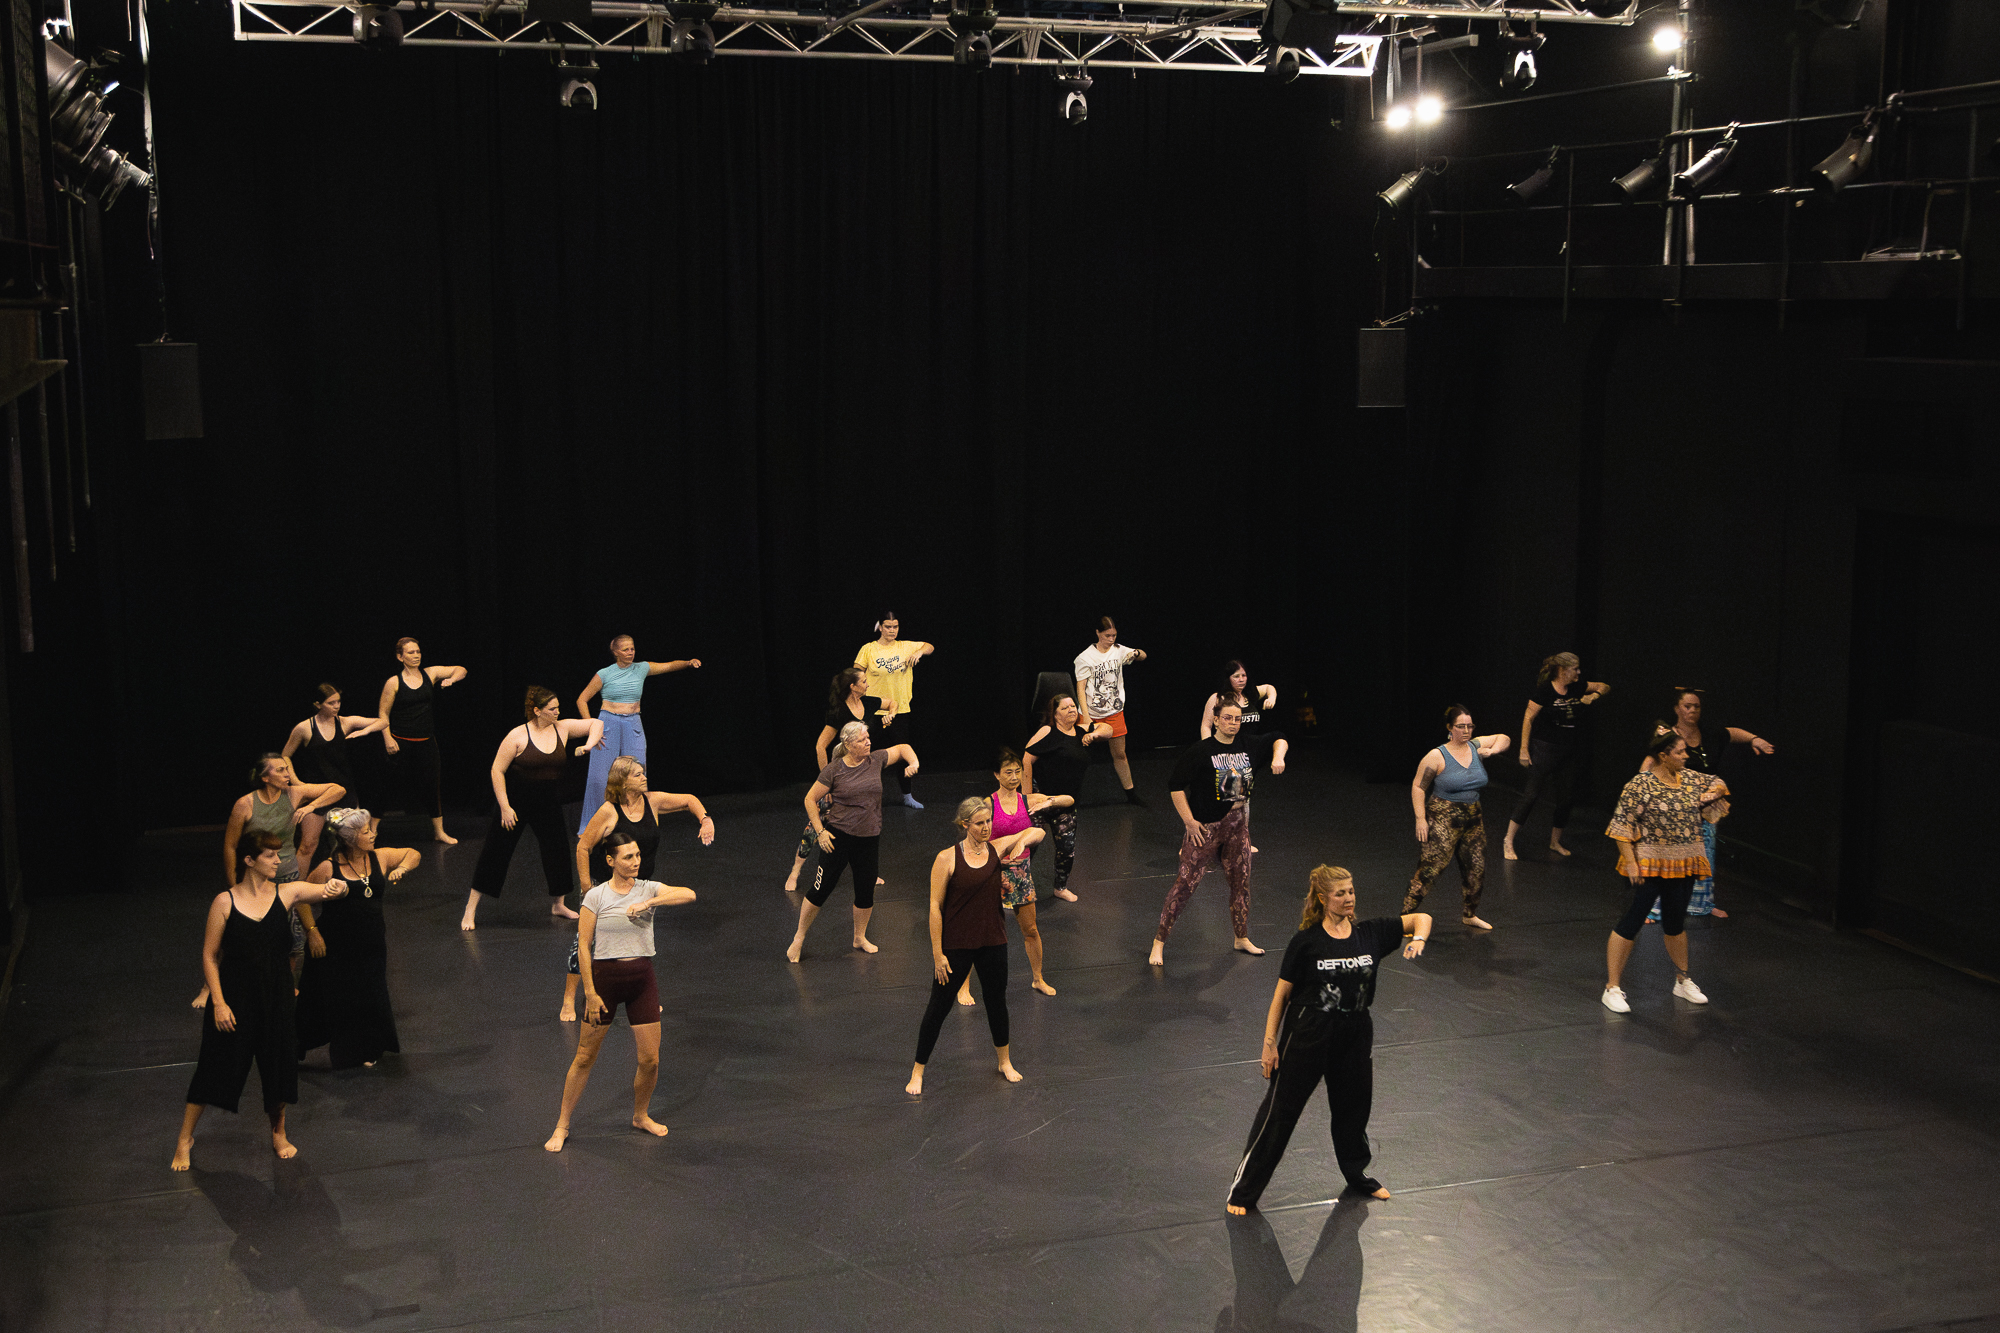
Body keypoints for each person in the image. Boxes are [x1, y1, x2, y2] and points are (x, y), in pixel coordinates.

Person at [1225, 866, 1430, 1213]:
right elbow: (1281, 996)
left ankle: (1357, 1175)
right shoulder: (1306, 942)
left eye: (1351, 891)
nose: (1349, 898)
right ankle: (1243, 1191)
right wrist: (1269, 1043)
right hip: (1309, 1033)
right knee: (1281, 1112)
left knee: (1353, 1109)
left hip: (1355, 1031)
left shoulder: (1371, 933)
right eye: (1340, 893)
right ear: (1322, 898)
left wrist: (1419, 939)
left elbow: (1421, 918)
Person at [171, 830, 353, 1171]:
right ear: (249, 860)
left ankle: (278, 1133)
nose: (278, 861)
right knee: (214, 1067)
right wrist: (219, 1003)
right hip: (234, 1001)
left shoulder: (287, 893)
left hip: (276, 999)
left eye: (278, 854)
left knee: (278, 1069)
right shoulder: (224, 902)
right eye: (270, 855)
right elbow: (210, 955)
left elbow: (322, 891)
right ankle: (185, 1138)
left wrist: (336, 888)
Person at [544, 831, 697, 1151]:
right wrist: (590, 992)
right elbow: (583, 947)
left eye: (638, 855)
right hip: (605, 984)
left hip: (642, 980)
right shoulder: (596, 896)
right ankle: (562, 1124)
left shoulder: (648, 888)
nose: (636, 861)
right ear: (611, 861)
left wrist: (650, 902)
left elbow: (689, 894)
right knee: (584, 1056)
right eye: (628, 857)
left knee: (650, 1060)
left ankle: (640, 1115)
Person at [905, 797, 1046, 1095]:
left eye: (988, 821)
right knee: (938, 1008)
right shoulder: (947, 858)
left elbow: (1038, 832)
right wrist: (937, 954)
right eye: (979, 823)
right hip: (957, 944)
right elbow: (934, 908)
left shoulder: (996, 848)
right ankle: (918, 1071)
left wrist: (1021, 842)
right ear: (964, 824)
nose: (986, 827)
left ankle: (1004, 1062)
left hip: (993, 941)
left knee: (996, 1003)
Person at [562, 757, 713, 1021]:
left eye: (643, 773)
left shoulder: (652, 801)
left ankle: (643, 996)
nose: (644, 777)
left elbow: (689, 800)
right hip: (606, 886)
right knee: (586, 942)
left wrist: (705, 819)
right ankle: (569, 999)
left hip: (639, 885)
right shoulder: (609, 811)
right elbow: (583, 847)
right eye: (637, 775)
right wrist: (587, 889)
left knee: (638, 940)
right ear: (622, 782)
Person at [192, 753, 346, 1007]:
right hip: (254, 876)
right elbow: (230, 846)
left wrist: (310, 807)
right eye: (280, 770)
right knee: (236, 934)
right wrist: (233, 884)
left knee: (291, 937)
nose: (287, 774)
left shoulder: (294, 794)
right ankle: (208, 986)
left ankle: (283, 984)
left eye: (287, 769)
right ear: (265, 778)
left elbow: (338, 789)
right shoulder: (246, 804)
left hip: (287, 874)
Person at [1150, 700, 1288, 966]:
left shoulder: (1248, 744)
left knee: (1241, 884)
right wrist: (1189, 822)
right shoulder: (1201, 751)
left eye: (1237, 719)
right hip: (1206, 827)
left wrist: (1278, 757)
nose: (1233, 723)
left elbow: (1279, 737)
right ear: (1216, 720)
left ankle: (1241, 937)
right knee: (1185, 885)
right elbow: (1175, 786)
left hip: (1237, 825)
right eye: (1227, 718)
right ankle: (1159, 942)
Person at [1601, 730, 1730, 1013]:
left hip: (1683, 864)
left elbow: (1718, 782)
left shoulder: (1691, 778)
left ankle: (1682, 980)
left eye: (1685, 751)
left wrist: (1712, 794)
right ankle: (1612, 987)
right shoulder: (1640, 784)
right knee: (1632, 921)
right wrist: (1631, 862)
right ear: (1663, 755)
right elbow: (1621, 825)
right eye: (1680, 752)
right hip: (1649, 864)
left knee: (1675, 923)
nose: (1686, 756)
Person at [461, 687, 601, 931]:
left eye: (558, 707)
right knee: (496, 852)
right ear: (537, 711)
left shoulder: (563, 728)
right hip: (516, 801)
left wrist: (589, 745)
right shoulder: (517, 735)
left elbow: (596, 724)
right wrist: (505, 806)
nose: (557, 712)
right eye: (552, 709)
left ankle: (558, 904)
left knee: (558, 850)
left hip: (548, 801)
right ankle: (470, 910)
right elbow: (497, 770)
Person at [295, 809, 420, 1069]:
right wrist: (312, 932)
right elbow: (301, 898)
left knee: (371, 994)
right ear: (351, 839)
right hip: (336, 947)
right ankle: (342, 1053)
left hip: (371, 944)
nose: (373, 834)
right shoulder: (329, 868)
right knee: (341, 999)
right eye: (366, 832)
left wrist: (402, 869)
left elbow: (413, 854)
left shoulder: (380, 857)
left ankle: (369, 1048)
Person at [785, 722, 920, 962]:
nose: (868, 742)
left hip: (869, 839)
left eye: (868, 737)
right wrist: (820, 832)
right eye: (862, 740)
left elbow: (903, 748)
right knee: (820, 890)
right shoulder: (834, 770)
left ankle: (859, 937)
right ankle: (799, 937)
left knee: (865, 891)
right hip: (838, 838)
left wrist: (914, 763)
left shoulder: (875, 760)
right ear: (848, 745)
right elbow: (809, 799)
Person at [1642, 687, 1775, 920]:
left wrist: (1755, 739)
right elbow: (1650, 761)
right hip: (1675, 807)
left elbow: (1731, 733)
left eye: (1697, 706)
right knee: (1669, 858)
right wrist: (1644, 787)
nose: (1692, 710)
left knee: (1704, 857)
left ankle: (1701, 904)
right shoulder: (1668, 737)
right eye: (1687, 706)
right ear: (1677, 709)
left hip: (1705, 807)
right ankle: (1653, 909)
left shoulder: (1709, 734)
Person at [956, 749, 1063, 1005]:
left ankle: (1038, 978)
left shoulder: (1027, 800)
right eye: (1008, 772)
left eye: (1018, 772)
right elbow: (970, 833)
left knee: (1031, 929)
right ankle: (963, 986)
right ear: (996, 775)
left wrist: (1050, 802)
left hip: (1019, 871)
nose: (1014, 777)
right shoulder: (988, 804)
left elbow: (1067, 800)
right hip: (991, 872)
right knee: (975, 932)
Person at [574, 635, 701, 835]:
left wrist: (687, 663)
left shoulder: (641, 668)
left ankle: (640, 822)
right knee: (599, 776)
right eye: (625, 649)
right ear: (615, 652)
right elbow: (582, 699)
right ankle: (591, 827)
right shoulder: (605, 673)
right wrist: (592, 728)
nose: (630, 652)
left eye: (632, 648)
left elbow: (668, 666)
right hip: (608, 724)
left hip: (633, 723)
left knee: (638, 772)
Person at [784, 667, 893, 894]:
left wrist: (891, 714)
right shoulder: (839, 712)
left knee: (864, 824)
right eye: (864, 681)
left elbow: (893, 702)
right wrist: (828, 780)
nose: (868, 684)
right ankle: (795, 871)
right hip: (842, 776)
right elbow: (820, 746)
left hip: (863, 774)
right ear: (853, 686)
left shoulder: (869, 702)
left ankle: (867, 871)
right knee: (815, 825)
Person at [1404, 705, 1512, 932]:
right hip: (1443, 817)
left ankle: (1469, 915)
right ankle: (1404, 918)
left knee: (1476, 867)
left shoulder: (1475, 746)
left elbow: (1504, 738)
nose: (1466, 731)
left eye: (1469, 726)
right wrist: (1420, 818)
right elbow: (1418, 786)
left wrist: (1491, 751)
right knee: (1431, 869)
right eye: (1461, 726)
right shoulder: (1437, 756)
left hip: (1473, 817)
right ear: (1449, 728)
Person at [1504, 652, 1610, 861]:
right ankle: (1508, 839)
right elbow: (1528, 717)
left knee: (1565, 799)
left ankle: (1555, 841)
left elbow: (1604, 686)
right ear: (1563, 671)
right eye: (1575, 668)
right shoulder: (1545, 691)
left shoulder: (1577, 687)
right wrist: (1524, 749)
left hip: (1568, 751)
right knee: (1531, 795)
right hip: (1544, 749)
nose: (1578, 672)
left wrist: (1593, 696)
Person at [376, 637, 469, 844]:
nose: (416, 655)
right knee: (387, 786)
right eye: (411, 652)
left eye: (418, 651)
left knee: (432, 786)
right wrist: (387, 738)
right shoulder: (394, 682)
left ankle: (439, 831)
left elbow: (461, 669)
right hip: (400, 741)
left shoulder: (430, 673)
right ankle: (371, 830)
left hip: (426, 741)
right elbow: (383, 713)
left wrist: (451, 680)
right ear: (400, 657)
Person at [1023, 693, 1111, 903]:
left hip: (1066, 801)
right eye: (1065, 708)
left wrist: (1094, 735)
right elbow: (1026, 760)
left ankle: (1060, 887)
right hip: (1041, 798)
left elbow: (1108, 729)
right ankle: (1014, 886)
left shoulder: (1082, 731)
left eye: (1073, 706)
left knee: (1066, 848)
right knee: (1029, 844)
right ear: (1055, 714)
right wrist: (1027, 798)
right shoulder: (1048, 731)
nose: (1071, 710)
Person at [281, 684, 386, 843]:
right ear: (318, 705)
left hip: (344, 788)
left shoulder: (344, 722)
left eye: (338, 702)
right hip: (317, 791)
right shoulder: (304, 728)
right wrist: (296, 783)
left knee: (351, 840)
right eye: (331, 703)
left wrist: (365, 731)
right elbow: (285, 755)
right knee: (309, 843)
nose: (336, 706)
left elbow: (383, 721)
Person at [854, 613, 933, 808]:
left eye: (895, 626)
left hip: (900, 710)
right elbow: (856, 673)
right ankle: (862, 796)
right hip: (874, 711)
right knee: (867, 754)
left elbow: (929, 646)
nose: (892, 630)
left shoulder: (905, 646)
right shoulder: (869, 649)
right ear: (880, 627)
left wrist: (919, 652)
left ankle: (907, 795)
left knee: (902, 755)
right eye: (888, 626)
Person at [1074, 616, 1148, 805]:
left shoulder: (1118, 650)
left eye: (1114, 635)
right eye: (1107, 635)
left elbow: (1143, 656)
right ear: (1098, 633)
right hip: (1091, 713)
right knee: (1079, 756)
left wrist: (1136, 653)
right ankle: (1072, 795)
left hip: (1114, 712)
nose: (1111, 639)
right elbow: (1080, 689)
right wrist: (1087, 718)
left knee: (1120, 754)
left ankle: (1131, 794)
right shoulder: (1085, 658)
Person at [1200, 661, 1279, 740]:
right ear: (1228, 679)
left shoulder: (1248, 694)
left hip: (1252, 742)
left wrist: (1271, 698)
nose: (1241, 679)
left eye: (1243, 675)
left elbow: (1268, 688)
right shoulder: (1218, 697)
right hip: (1230, 743)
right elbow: (1206, 726)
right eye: (1236, 676)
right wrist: (1208, 745)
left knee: (1278, 736)